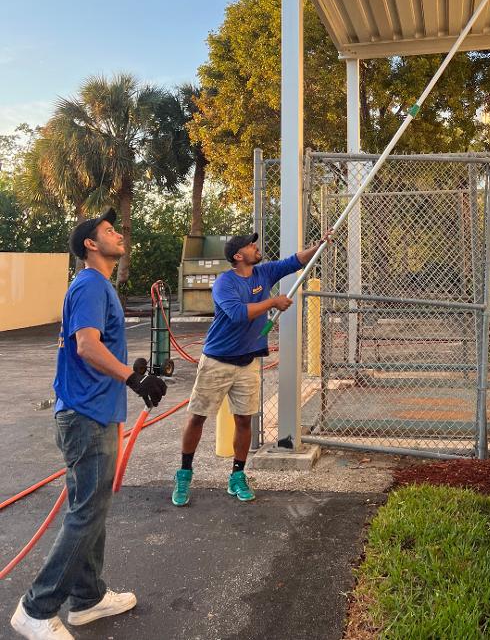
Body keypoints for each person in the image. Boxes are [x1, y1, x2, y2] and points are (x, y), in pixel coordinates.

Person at [11, 208, 168, 640]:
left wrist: (127, 371)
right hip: (86, 416)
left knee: (91, 509)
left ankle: (88, 599)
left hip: (93, 412)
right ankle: (36, 609)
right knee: (86, 513)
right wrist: (133, 378)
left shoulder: (97, 286)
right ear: (90, 244)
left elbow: (97, 350)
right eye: (109, 230)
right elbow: (86, 346)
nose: (119, 234)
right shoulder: (91, 284)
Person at [172, 230, 331, 507]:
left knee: (244, 420)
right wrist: (272, 302)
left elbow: (294, 261)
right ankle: (184, 474)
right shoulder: (224, 283)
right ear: (238, 255)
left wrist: (318, 245)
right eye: (249, 245)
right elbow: (237, 314)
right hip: (217, 360)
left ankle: (237, 475)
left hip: (248, 362)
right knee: (198, 417)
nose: (255, 247)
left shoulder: (264, 273)